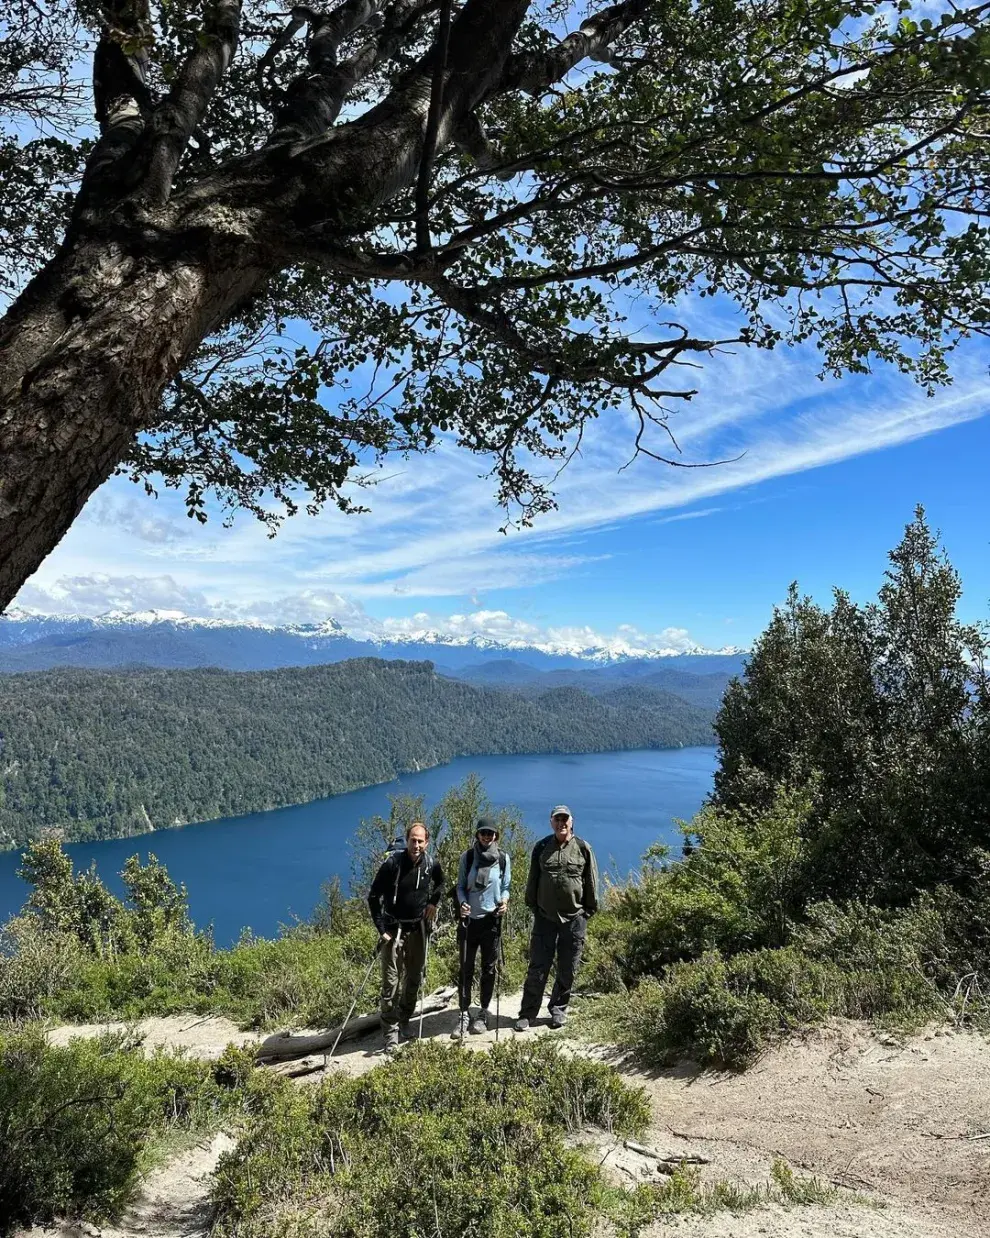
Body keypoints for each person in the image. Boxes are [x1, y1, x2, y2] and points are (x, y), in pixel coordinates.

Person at [515, 804, 598, 1032]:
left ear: (571, 821)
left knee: (567, 967)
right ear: (551, 822)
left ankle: (558, 1010)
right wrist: (533, 905)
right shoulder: (542, 847)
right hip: (545, 918)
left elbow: (591, 881)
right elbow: (533, 878)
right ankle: (527, 1013)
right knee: (538, 967)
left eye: (565, 819)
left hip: (574, 918)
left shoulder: (583, 848)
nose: (561, 823)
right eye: (557, 819)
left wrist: (587, 911)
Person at [367, 821, 443, 1053]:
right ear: (406, 840)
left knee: (414, 978)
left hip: (418, 930)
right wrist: (383, 930)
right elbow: (373, 897)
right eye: (413, 840)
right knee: (390, 984)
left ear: (427, 843)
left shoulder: (431, 864)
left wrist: (433, 902)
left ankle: (405, 1021)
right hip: (394, 930)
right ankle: (390, 1033)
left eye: (421, 841)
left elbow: (441, 882)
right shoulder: (392, 864)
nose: (416, 845)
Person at [451, 817, 510, 1039]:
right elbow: (459, 886)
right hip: (469, 921)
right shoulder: (467, 858)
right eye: (483, 832)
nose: (487, 836)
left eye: (491, 833)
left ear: (496, 835)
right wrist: (462, 902)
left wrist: (504, 901)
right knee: (465, 969)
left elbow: (506, 886)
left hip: (491, 921)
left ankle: (483, 1012)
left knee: (488, 968)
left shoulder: (503, 859)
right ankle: (464, 1013)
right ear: (477, 834)